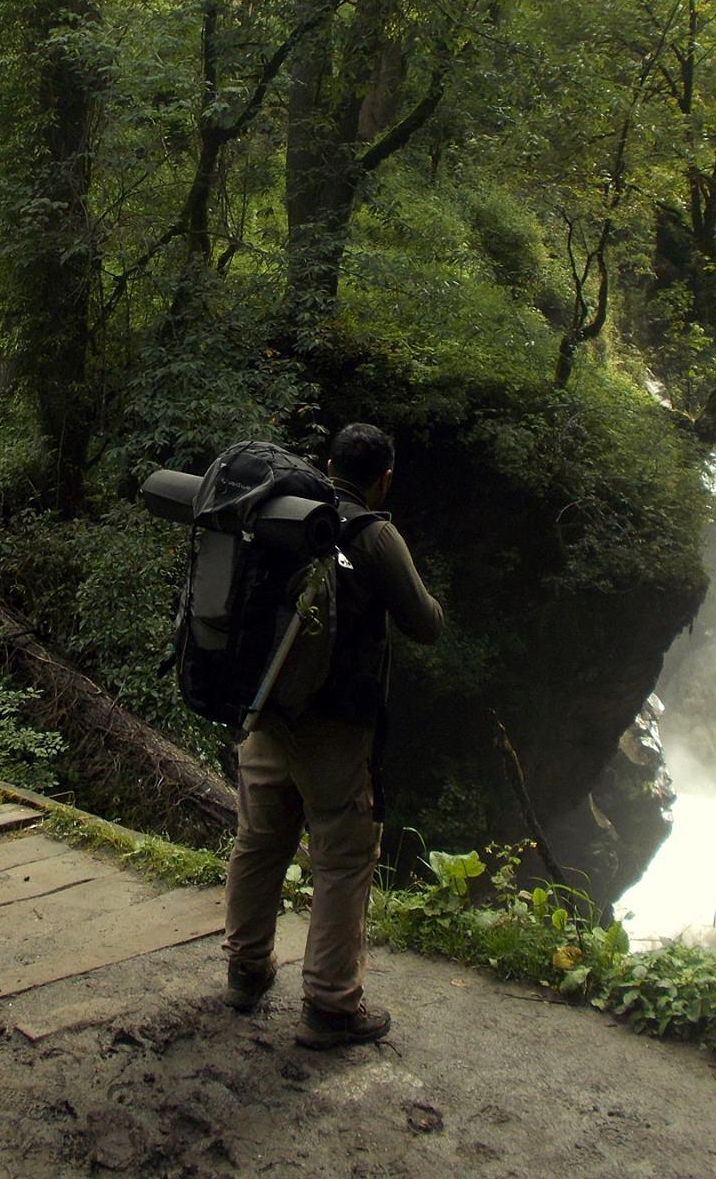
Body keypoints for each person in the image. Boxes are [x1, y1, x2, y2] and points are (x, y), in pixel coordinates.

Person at [220, 421, 445, 1048]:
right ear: (385, 477)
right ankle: (329, 1005)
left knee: (260, 840)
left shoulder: (286, 515)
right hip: (338, 725)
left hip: (269, 711)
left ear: (327, 463)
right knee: (344, 858)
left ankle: (245, 971)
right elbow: (423, 623)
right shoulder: (375, 534)